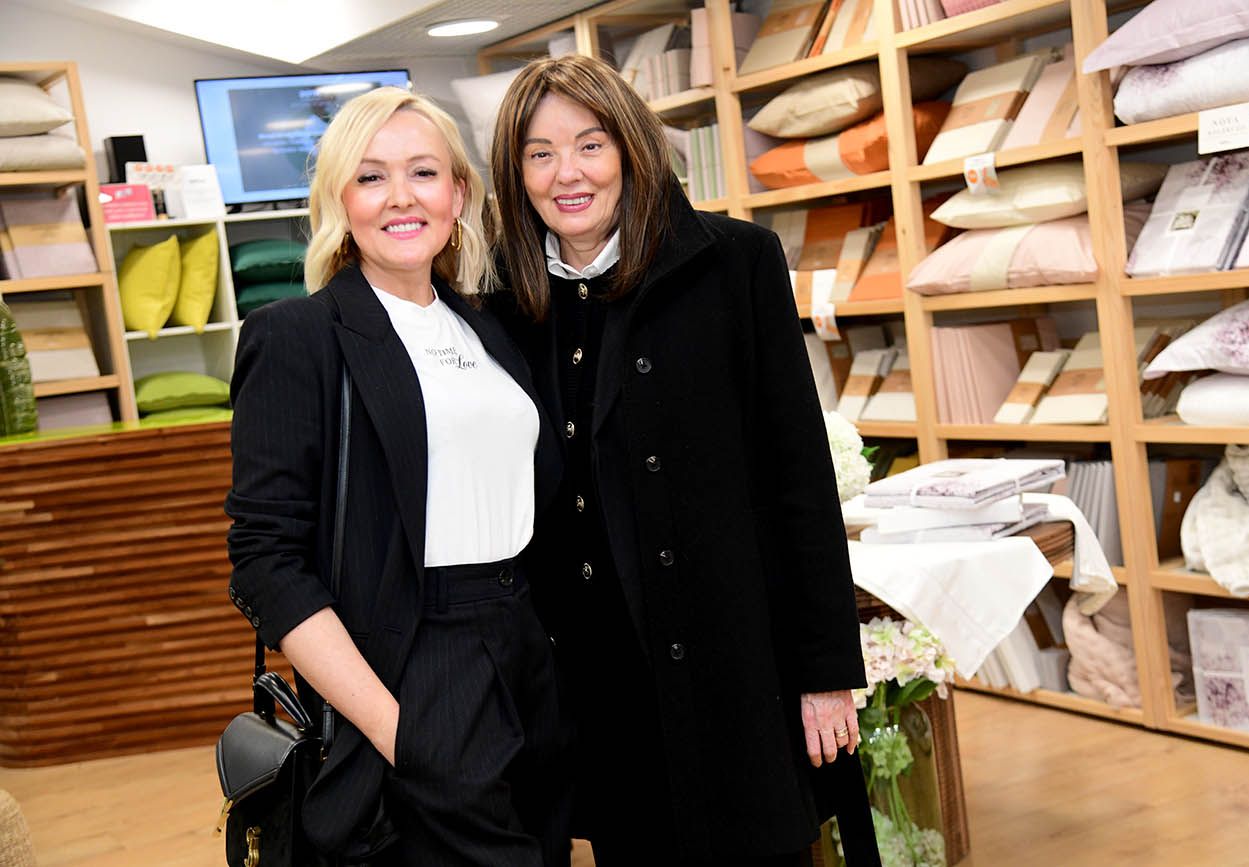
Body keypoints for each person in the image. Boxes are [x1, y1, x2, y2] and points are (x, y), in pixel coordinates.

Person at [489, 55, 871, 865]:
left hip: (733, 663)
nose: (567, 174)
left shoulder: (735, 262)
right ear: (514, 173)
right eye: (539, 154)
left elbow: (799, 477)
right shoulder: (506, 301)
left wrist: (826, 671)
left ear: (630, 148)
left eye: (589, 145)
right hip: (603, 689)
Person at [225, 86, 568, 866]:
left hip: (526, 654)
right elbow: (266, 562)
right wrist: (395, 729)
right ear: (340, 200)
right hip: (415, 666)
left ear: (459, 194)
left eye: (423, 172)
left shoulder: (490, 326)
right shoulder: (298, 337)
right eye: (372, 176)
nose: (401, 197)